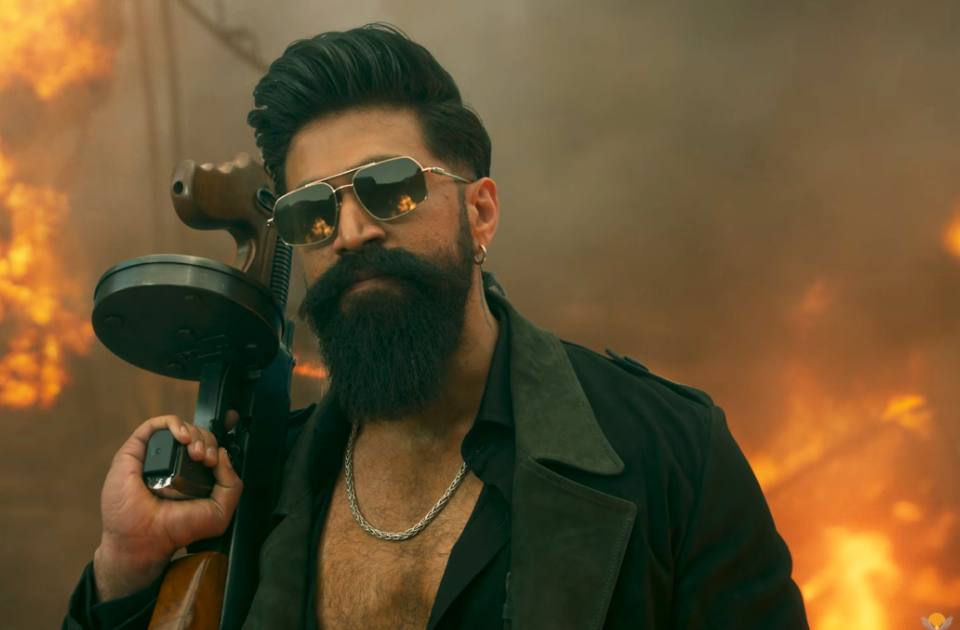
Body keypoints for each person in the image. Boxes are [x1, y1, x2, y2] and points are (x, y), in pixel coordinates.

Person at [65, 23, 809, 630]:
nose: (350, 232)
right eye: (312, 212)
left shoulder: (669, 454)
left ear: (479, 212)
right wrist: (124, 570)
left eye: (389, 188)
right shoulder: (250, 484)